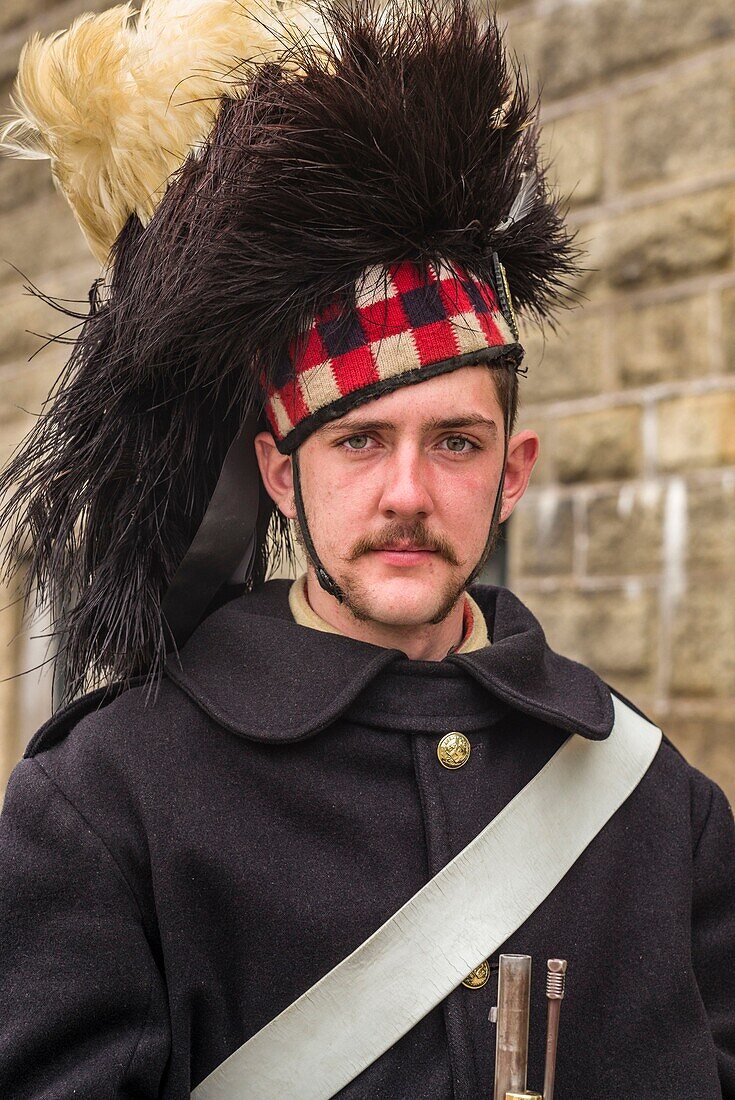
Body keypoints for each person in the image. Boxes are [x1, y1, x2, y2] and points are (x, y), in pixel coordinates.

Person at [0, 0, 733, 1096]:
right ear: (283, 472)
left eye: (455, 441)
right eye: (359, 441)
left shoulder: (663, 805)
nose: (407, 491)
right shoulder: (106, 803)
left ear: (512, 472)